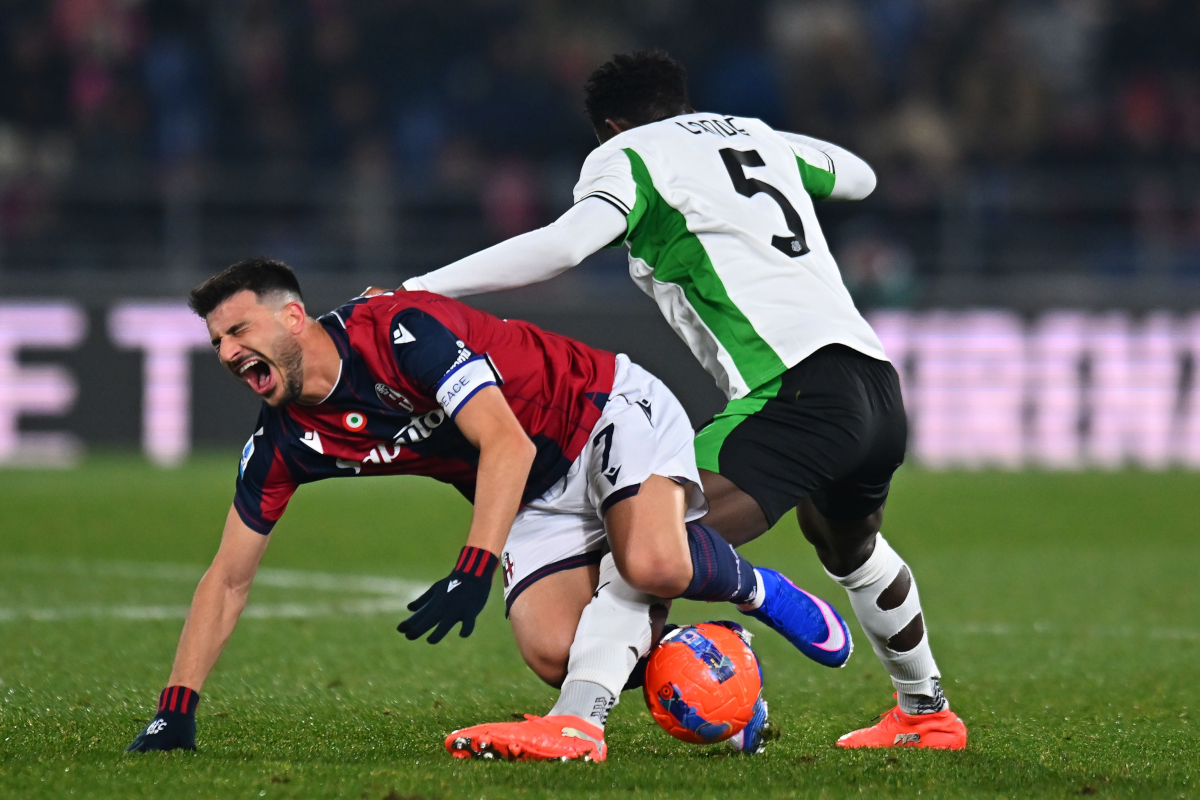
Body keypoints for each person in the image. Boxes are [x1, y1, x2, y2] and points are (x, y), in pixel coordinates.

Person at [397, 50, 967, 750]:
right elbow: (861, 175)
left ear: (608, 126)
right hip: (874, 386)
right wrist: (757, 140)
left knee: (644, 542)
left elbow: (565, 246)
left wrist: (419, 289)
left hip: (793, 389)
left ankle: (576, 722)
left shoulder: (629, 154)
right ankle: (926, 712)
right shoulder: (751, 135)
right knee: (849, 546)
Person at [124, 257, 851, 762]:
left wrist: (475, 566)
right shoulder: (284, 441)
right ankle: (721, 673)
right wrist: (175, 710)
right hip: (535, 495)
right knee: (554, 653)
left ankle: (756, 589)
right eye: (217, 340)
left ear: (291, 317)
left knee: (653, 563)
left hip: (597, 412)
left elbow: (505, 441)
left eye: (238, 331)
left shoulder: (396, 331)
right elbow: (227, 578)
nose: (225, 351)